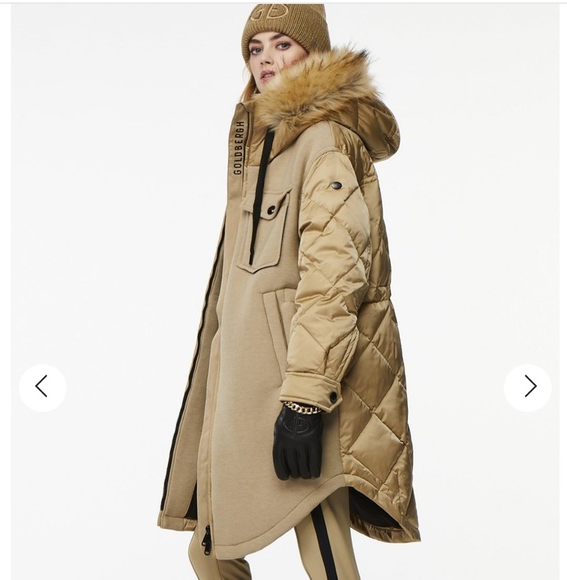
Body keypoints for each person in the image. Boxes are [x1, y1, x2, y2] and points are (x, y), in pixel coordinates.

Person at [158, 4, 420, 578]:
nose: (266, 60)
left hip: (301, 384)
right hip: (245, 385)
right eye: (255, 49)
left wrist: (304, 400)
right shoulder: (262, 145)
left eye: (282, 45)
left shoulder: (323, 141)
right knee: (210, 547)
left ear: (314, 53)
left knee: (323, 544)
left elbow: (335, 280)